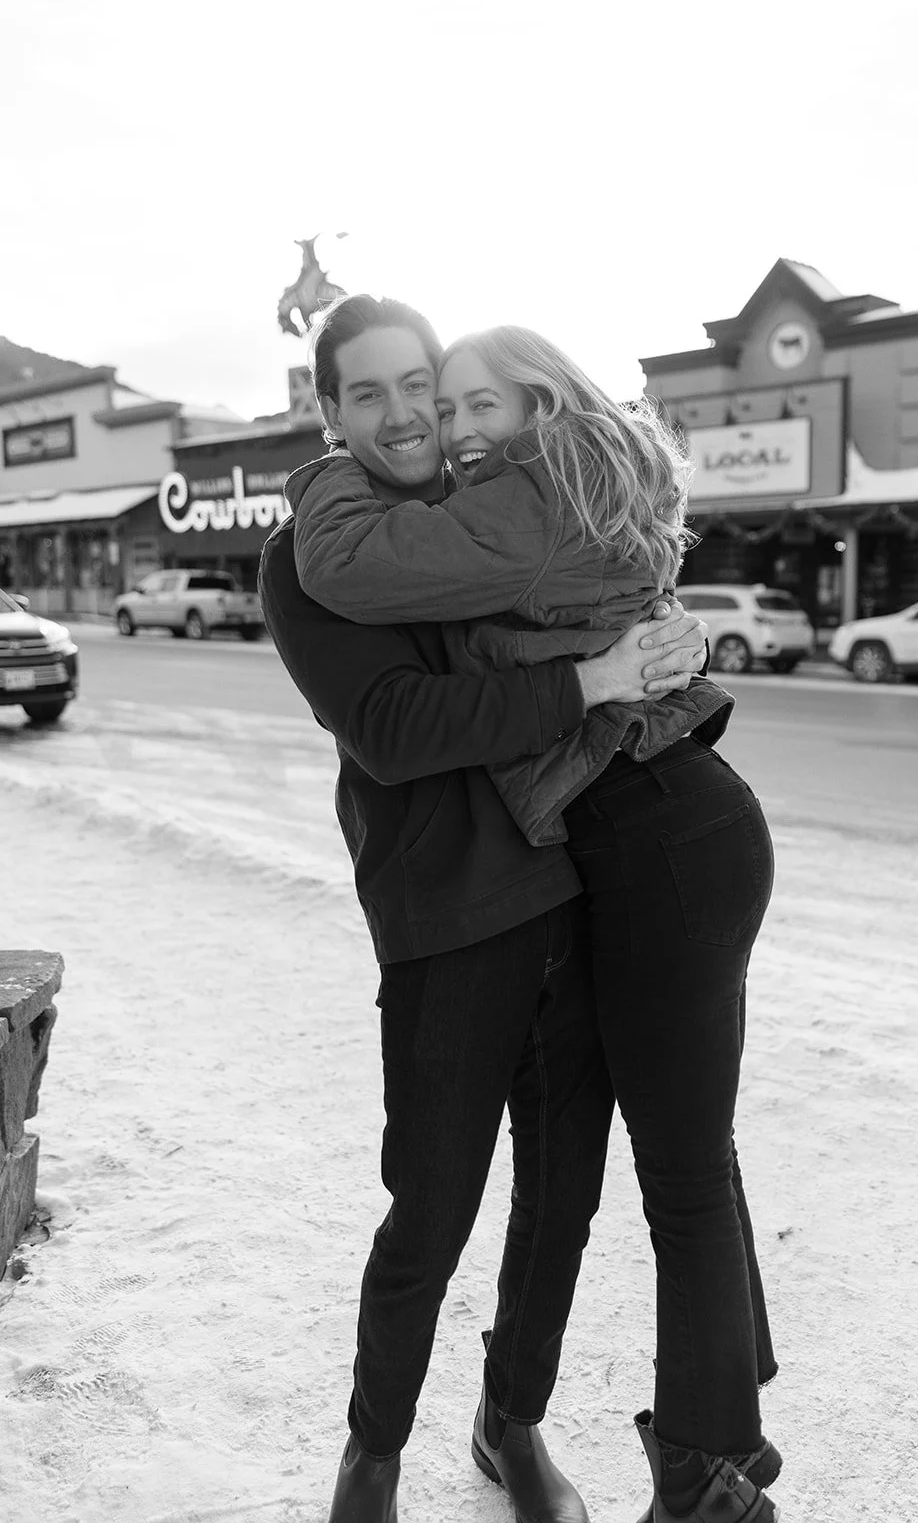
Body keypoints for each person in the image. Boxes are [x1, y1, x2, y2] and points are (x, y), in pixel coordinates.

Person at [290, 316, 782, 1523]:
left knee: (591, 1186)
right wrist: (600, 670)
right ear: (332, 414)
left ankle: (559, 1433)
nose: (425, 418)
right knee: (444, 1194)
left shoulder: (507, 498)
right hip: (457, 907)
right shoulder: (329, 540)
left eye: (442, 392)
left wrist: (653, 643)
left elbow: (594, 584)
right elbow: (397, 728)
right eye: (384, 395)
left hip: (599, 874)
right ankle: (377, 1453)